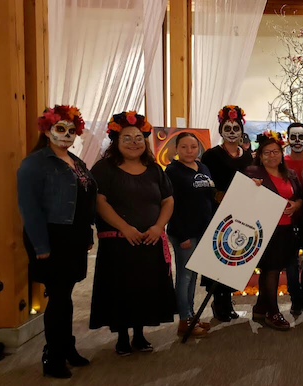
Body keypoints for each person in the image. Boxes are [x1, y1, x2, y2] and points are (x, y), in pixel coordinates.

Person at [89, 111, 176, 356]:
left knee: (144, 289)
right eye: (127, 138)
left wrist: (158, 227)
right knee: (120, 289)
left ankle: (139, 334)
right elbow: (100, 201)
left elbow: (168, 200)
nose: (134, 142)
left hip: (149, 241)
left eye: (138, 137)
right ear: (116, 140)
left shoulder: (154, 170)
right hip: (119, 243)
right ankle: (122, 338)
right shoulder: (104, 168)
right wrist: (124, 228)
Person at [18, 106, 95, 378]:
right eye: (60, 129)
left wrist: (87, 233)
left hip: (73, 237)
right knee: (59, 297)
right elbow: (29, 208)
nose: (66, 135)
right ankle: (53, 356)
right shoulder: (35, 163)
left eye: (72, 130)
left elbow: (85, 202)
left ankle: (67, 347)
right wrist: (40, 246)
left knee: (65, 295)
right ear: (47, 130)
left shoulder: (76, 161)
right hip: (51, 237)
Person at [200, 105, 253, 322]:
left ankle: (228, 300)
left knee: (235, 255)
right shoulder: (211, 155)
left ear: (241, 131)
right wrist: (216, 195)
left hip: (241, 213)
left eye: (236, 128)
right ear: (221, 130)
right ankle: (218, 300)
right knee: (219, 257)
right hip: (218, 213)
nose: (232, 132)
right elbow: (203, 181)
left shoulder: (248, 156)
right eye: (228, 128)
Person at [246, 131, 303, 331]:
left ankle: (261, 308)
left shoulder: (291, 175)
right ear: (260, 156)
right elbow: (243, 199)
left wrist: (295, 206)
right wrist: (251, 188)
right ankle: (273, 312)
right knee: (270, 270)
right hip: (264, 230)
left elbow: (300, 197)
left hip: (287, 230)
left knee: (275, 269)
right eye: (267, 153)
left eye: (276, 152)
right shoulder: (253, 174)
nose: (272, 156)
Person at [165, 132, 215, 337]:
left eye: (193, 147)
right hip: (184, 233)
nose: (189, 151)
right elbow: (171, 205)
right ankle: (184, 320)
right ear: (176, 149)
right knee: (185, 277)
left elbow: (209, 198)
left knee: (193, 275)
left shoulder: (203, 167)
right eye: (184, 147)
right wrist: (182, 234)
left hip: (202, 230)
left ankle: (191, 315)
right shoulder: (172, 171)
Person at [283, 122, 303, 315]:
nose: (297, 141)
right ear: (288, 139)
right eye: (293, 137)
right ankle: (295, 297)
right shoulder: (282, 162)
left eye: (300, 137)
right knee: (291, 260)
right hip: (287, 218)